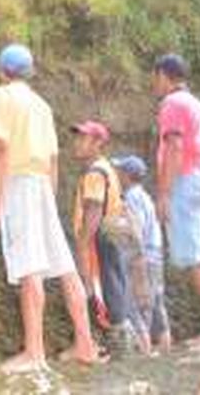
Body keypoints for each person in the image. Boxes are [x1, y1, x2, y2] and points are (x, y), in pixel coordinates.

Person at [0, 44, 100, 373]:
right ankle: (85, 345)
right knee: (63, 265)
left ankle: (34, 352)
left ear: (3, 71)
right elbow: (53, 159)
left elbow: (2, 150)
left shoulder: (1, 97)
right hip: (42, 186)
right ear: (30, 72)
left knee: (28, 266)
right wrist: (48, 198)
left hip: (18, 184)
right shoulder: (42, 105)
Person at [153, 53, 200, 343]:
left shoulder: (172, 104)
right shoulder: (196, 104)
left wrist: (164, 194)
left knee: (194, 257)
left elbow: (174, 148)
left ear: (163, 75)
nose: (153, 83)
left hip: (183, 181)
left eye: (154, 77)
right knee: (194, 254)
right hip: (198, 179)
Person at [71, 120, 136, 355]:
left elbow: (94, 208)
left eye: (83, 138)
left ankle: (115, 346)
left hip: (98, 241)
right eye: (77, 137)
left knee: (100, 292)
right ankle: (117, 345)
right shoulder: (106, 168)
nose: (76, 143)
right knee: (113, 286)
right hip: (109, 238)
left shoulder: (95, 173)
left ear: (98, 143)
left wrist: (82, 244)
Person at [112, 155, 171, 354]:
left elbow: (136, 231)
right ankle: (165, 347)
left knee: (135, 304)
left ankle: (144, 352)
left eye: (119, 171)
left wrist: (137, 259)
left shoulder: (131, 198)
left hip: (141, 254)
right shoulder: (145, 196)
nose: (117, 175)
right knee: (156, 303)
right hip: (155, 254)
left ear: (128, 175)